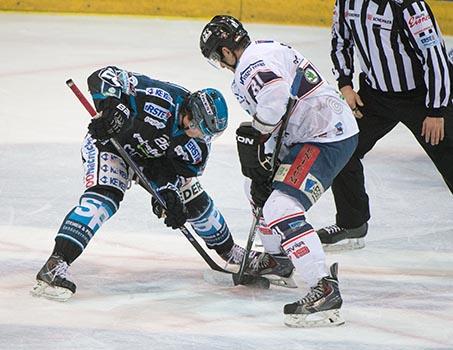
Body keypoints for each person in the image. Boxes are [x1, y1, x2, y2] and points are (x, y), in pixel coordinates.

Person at [31, 66, 293, 301]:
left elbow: (171, 170)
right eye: (201, 129)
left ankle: (231, 254)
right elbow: (102, 76)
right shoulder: (159, 97)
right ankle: (56, 264)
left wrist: (167, 195)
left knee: (192, 200)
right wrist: (112, 108)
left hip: (148, 159)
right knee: (103, 199)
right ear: (190, 115)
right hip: (110, 146)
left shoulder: (196, 145)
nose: (202, 137)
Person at [200, 15, 359, 327]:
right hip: (311, 133)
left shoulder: (250, 65)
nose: (222, 64)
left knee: (280, 207)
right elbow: (280, 114)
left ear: (227, 51)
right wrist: (263, 161)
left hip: (325, 136)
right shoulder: (263, 50)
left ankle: (323, 288)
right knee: (255, 188)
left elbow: (275, 100)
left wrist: (257, 134)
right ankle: (278, 259)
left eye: (219, 57)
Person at [316, 0, 453, 250]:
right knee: (343, 149)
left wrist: (436, 110)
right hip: (375, 96)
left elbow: (435, 57)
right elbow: (340, 40)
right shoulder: (346, 2)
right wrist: (345, 85)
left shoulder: (409, 6)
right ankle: (352, 223)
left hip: (422, 97)